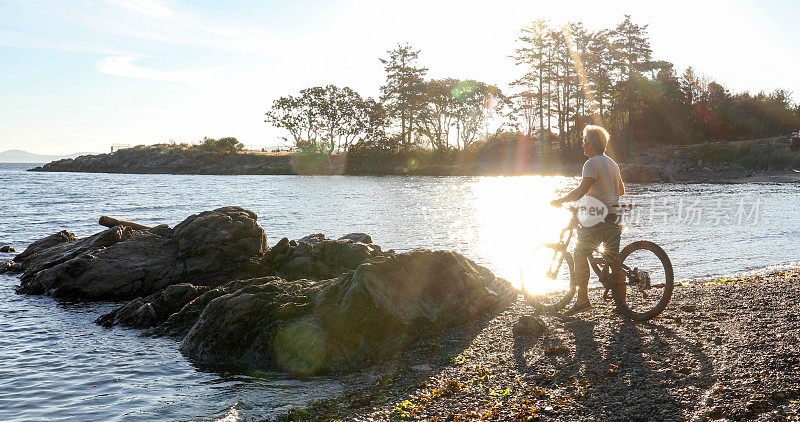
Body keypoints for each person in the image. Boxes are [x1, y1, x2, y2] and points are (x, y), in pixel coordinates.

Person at [550, 125, 625, 315]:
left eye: (584, 141)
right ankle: (622, 304)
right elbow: (621, 191)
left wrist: (560, 200)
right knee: (614, 260)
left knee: (579, 253)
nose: (582, 145)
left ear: (591, 144)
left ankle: (582, 300)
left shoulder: (591, 163)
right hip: (615, 216)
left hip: (598, 218)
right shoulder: (612, 164)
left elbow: (581, 191)